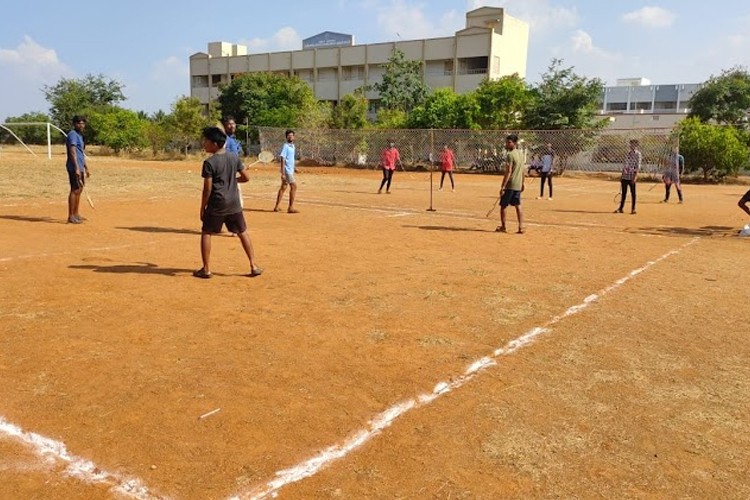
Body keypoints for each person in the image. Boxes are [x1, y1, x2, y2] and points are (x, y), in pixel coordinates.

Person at [194, 127, 262, 279]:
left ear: (215, 144)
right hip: (234, 203)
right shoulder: (233, 157)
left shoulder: (209, 163)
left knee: (206, 232)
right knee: (242, 232)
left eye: (206, 141)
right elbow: (246, 178)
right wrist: (232, 180)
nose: (204, 144)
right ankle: (253, 265)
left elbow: (207, 189)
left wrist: (202, 207)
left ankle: (206, 269)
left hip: (217, 203)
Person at [497, 134, 525, 234]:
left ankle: (504, 227)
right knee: (518, 205)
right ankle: (521, 227)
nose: (507, 144)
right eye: (507, 142)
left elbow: (508, 172)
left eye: (509, 142)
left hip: (511, 184)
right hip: (517, 184)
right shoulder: (521, 154)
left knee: (503, 206)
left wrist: (503, 186)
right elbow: (522, 170)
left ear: (514, 143)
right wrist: (522, 182)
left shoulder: (510, 155)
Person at [65, 115, 89, 224]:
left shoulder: (80, 136)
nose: (81, 125)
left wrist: (86, 167)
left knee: (80, 189)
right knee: (74, 189)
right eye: (79, 123)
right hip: (74, 167)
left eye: (83, 123)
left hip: (80, 166)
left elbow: (81, 153)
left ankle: (76, 213)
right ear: (74, 124)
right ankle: (71, 216)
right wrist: (76, 168)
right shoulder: (72, 135)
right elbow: (73, 151)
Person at [273, 129, 299, 213]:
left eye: (292, 135)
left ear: (294, 137)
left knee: (283, 187)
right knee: (294, 186)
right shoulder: (286, 146)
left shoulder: (293, 146)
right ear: (286, 137)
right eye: (289, 135)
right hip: (287, 170)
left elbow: (291, 159)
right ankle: (290, 207)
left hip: (290, 170)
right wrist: (282, 172)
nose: (291, 137)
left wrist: (294, 167)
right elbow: (283, 158)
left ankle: (276, 207)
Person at [222, 115, 244, 211]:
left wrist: (240, 166)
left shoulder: (234, 140)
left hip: (233, 173)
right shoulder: (224, 140)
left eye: (233, 124)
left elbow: (236, 156)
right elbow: (223, 155)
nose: (232, 126)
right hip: (226, 173)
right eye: (229, 124)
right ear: (225, 126)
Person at [615, 139, 641, 215]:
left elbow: (638, 166)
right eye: (631, 144)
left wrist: (635, 176)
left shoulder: (638, 154)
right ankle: (621, 208)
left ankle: (633, 209)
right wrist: (622, 175)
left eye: (633, 144)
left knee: (633, 193)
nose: (632, 146)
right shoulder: (627, 153)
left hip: (632, 176)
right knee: (624, 193)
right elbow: (624, 165)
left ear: (636, 146)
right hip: (625, 176)